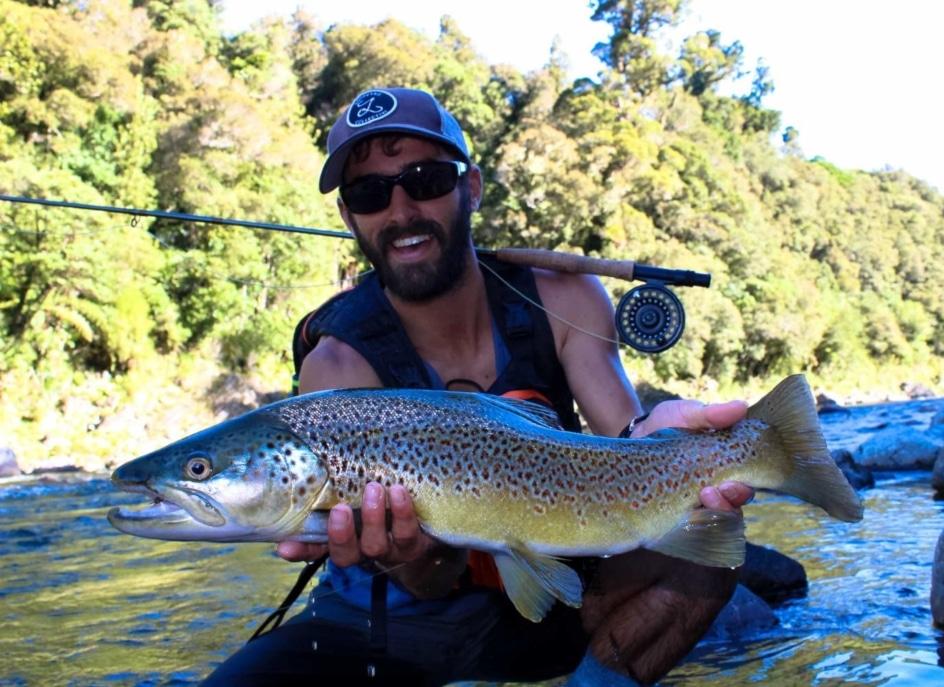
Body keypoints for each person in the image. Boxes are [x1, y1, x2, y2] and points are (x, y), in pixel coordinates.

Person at [204, 87, 753, 686]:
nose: (401, 209)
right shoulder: (336, 364)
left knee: (706, 555)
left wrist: (670, 449)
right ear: (348, 216)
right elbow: (429, 577)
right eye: (369, 192)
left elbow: (625, 439)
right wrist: (410, 553)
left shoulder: (564, 299)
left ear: (471, 187)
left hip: (547, 585)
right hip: (386, 628)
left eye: (426, 178)